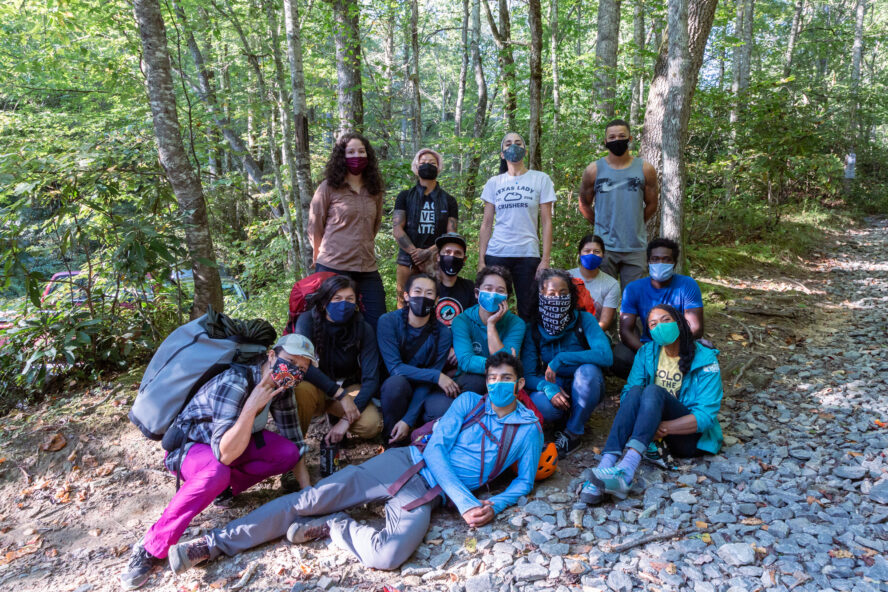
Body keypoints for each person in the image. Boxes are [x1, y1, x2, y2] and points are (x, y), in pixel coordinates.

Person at [166, 353, 543, 573]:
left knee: (389, 556)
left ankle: (334, 526)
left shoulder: (528, 430)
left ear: (520, 385)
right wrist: (466, 500)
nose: (497, 384)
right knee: (309, 499)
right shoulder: (467, 402)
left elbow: (524, 482)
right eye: (492, 378)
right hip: (404, 461)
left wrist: (495, 504)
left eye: (506, 379)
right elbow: (434, 451)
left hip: (428, 496)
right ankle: (214, 544)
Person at [120, 335, 315, 590]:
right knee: (216, 471)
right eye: (289, 361)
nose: (294, 371)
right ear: (271, 356)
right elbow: (224, 454)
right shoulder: (236, 382)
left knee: (286, 453)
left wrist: (310, 493)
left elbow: (294, 442)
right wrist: (251, 405)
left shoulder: (282, 389)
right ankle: (150, 546)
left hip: (232, 446)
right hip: (189, 448)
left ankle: (223, 489)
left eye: (302, 368)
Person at [579, 305, 723, 504]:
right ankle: (607, 464)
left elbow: (706, 416)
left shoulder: (706, 359)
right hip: (650, 431)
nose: (660, 327)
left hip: (687, 437)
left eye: (665, 320)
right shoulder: (647, 352)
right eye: (653, 324)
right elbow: (629, 393)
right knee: (636, 390)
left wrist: (663, 428)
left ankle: (627, 471)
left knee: (654, 390)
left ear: (679, 323)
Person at [521, 269, 613, 457]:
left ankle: (573, 432)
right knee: (540, 404)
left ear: (571, 295)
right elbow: (528, 374)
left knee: (587, 372)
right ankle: (563, 419)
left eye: (563, 293)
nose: (557, 298)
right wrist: (547, 387)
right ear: (541, 295)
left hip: (586, 384)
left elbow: (605, 355)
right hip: (556, 385)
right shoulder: (533, 328)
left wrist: (562, 359)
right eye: (551, 294)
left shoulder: (584, 319)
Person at [309, 132, 387, 330]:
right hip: (333, 265)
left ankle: (370, 361)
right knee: (330, 323)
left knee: (377, 321)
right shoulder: (328, 187)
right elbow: (315, 225)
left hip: (366, 266)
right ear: (341, 156)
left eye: (361, 151)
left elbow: (374, 224)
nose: (356, 156)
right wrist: (317, 256)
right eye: (350, 152)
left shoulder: (375, 189)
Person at [292, 274, 383, 444]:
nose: (343, 304)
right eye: (337, 298)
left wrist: (345, 421)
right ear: (325, 301)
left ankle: (333, 414)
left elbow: (371, 379)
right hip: (316, 388)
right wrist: (340, 395)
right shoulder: (307, 321)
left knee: (370, 425)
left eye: (350, 299)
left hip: (348, 386)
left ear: (356, 302)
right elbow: (302, 365)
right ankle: (295, 448)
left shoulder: (363, 328)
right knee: (301, 390)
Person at [478, 132, 556, 320]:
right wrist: (481, 260)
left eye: (518, 142)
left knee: (528, 308)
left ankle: (527, 349)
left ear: (525, 150)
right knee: (492, 305)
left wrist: (545, 259)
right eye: (508, 144)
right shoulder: (494, 182)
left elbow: (546, 222)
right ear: (502, 154)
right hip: (497, 252)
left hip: (527, 255)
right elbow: (487, 223)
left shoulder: (540, 179)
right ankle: (493, 345)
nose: (513, 146)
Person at [578, 119, 659, 290]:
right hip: (604, 248)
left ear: (630, 138)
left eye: (622, 136)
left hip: (635, 247)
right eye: (612, 137)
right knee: (604, 299)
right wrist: (600, 224)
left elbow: (652, 204)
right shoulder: (593, 170)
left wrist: (635, 222)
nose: (617, 140)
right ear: (605, 141)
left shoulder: (645, 169)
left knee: (634, 300)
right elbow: (584, 203)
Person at [377, 274, 455, 445]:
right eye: (417, 291)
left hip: (425, 389)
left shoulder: (443, 333)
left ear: (436, 300)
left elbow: (427, 383)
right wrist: (436, 376)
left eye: (429, 294)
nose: (422, 297)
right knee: (396, 384)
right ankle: (392, 440)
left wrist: (408, 420)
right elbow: (395, 368)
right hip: (395, 388)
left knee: (444, 407)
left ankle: (418, 435)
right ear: (407, 296)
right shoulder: (388, 322)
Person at [613, 238, 705, 378]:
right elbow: (626, 330)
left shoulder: (687, 285)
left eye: (666, 259)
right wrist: (647, 352)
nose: (660, 263)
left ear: (674, 263)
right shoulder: (633, 288)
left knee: (704, 357)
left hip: (680, 344)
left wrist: (671, 350)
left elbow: (696, 328)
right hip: (647, 345)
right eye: (655, 259)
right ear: (648, 262)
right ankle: (646, 376)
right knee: (620, 357)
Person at [392, 148, 459, 308]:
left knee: (435, 302)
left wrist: (428, 252)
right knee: (403, 302)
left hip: (436, 260)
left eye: (432, 163)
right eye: (423, 163)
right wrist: (415, 253)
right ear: (416, 167)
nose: (427, 165)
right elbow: (397, 228)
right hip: (407, 260)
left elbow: (451, 234)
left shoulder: (449, 200)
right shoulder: (405, 196)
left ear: (439, 167)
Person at [451, 266, 526, 394]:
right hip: (470, 379)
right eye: (488, 289)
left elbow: (507, 368)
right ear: (476, 293)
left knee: (503, 383)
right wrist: (501, 363)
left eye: (500, 290)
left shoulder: (516, 324)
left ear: (507, 297)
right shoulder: (461, 320)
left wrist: (491, 326)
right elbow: (466, 361)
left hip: (504, 381)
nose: (493, 294)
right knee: (477, 382)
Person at [569, 234, 621, 332]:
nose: (591, 254)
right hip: (569, 333)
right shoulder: (567, 277)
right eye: (587, 251)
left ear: (603, 255)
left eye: (596, 251)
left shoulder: (611, 284)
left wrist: (588, 336)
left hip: (596, 332)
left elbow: (604, 322)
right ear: (580, 254)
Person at [434, 232, 476, 327]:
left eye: (457, 253)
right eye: (447, 252)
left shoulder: (469, 288)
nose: (452, 256)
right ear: (438, 257)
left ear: (464, 259)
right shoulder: (428, 286)